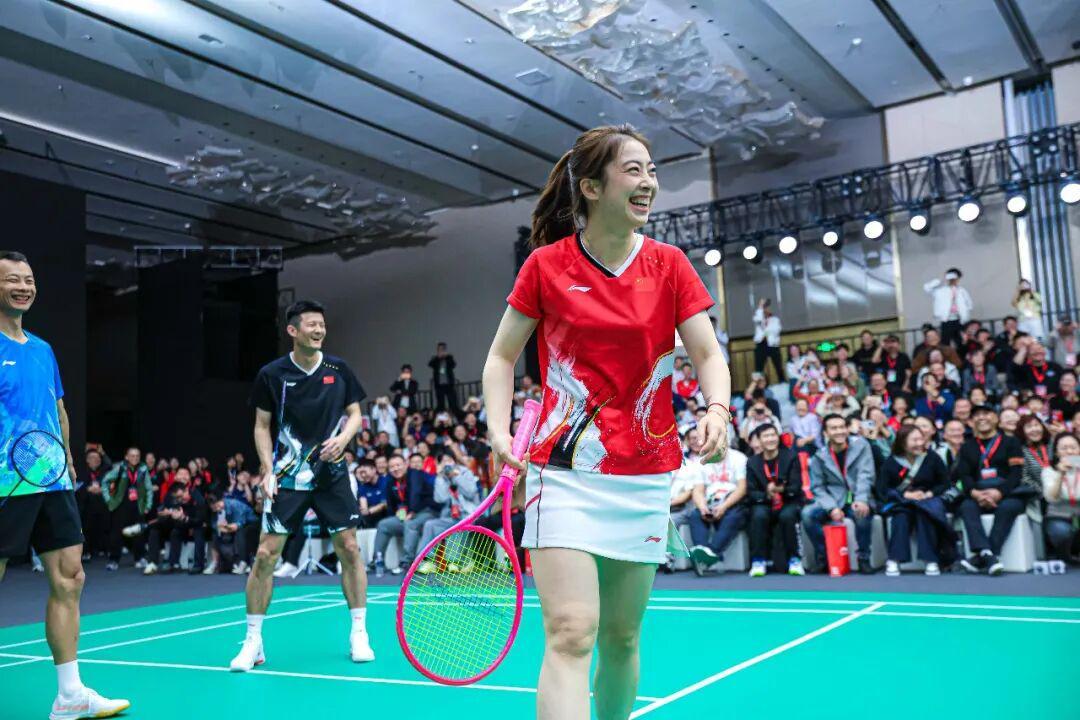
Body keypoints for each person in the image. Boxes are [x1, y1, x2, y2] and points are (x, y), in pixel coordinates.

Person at [482, 124, 729, 720]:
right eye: (633, 171)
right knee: (571, 631)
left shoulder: (669, 265)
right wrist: (497, 428)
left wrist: (718, 408)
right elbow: (500, 358)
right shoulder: (546, 266)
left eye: (651, 171)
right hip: (563, 469)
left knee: (620, 638)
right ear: (591, 187)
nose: (649, 183)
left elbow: (707, 353)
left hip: (644, 472)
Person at [0, 251, 129, 719]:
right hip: (5, 482)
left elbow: (58, 408)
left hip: (52, 478)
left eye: (29, 279)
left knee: (70, 578)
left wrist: (69, 459)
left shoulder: (42, 349)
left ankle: (70, 694)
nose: (23, 287)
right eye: (12, 279)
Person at [230, 300, 373, 672]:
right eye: (311, 324)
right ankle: (253, 641)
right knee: (266, 555)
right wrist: (267, 470)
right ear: (292, 331)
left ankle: (359, 632)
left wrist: (344, 438)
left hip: (331, 473)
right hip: (288, 475)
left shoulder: (338, 369)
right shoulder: (272, 374)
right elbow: (262, 425)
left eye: (321, 324)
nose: (319, 330)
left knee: (350, 548)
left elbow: (355, 414)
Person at [954, 405, 1027, 576]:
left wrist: (999, 492)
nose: (981, 418)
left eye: (986, 414)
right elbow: (965, 476)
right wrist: (975, 494)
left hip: (1007, 494)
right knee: (966, 507)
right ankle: (988, 555)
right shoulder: (967, 446)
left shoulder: (1011, 442)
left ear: (995, 418)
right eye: (977, 415)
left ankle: (984, 556)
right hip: (978, 493)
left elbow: (1016, 474)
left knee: (1009, 507)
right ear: (971, 422)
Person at [802, 414, 877, 574]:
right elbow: (818, 487)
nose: (839, 431)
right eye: (834, 428)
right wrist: (832, 508)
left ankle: (863, 558)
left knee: (862, 513)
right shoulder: (819, 456)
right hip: (833, 499)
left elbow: (866, 474)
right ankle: (825, 557)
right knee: (807, 514)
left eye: (842, 427)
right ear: (826, 433)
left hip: (857, 496)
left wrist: (861, 499)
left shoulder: (861, 446)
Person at [876, 426, 954, 577]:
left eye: (921, 439)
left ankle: (930, 559)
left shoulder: (932, 457)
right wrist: (904, 494)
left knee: (925, 515)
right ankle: (894, 559)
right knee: (901, 518)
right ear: (902, 443)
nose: (919, 443)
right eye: (914, 440)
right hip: (902, 502)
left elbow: (944, 482)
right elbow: (882, 488)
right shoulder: (892, 461)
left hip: (927, 502)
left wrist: (929, 493)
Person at [745, 425, 805, 577]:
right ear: (759, 440)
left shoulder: (790, 457)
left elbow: (796, 486)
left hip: (788, 500)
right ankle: (758, 560)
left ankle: (794, 559)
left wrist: (781, 490)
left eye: (773, 435)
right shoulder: (752, 462)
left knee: (788, 516)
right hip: (764, 502)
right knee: (758, 515)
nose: (770, 439)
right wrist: (767, 494)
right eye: (766, 436)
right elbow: (751, 491)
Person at [372, 454, 441, 576]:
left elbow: (415, 494)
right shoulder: (390, 481)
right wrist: (397, 513)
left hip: (427, 512)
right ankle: (378, 561)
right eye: (392, 466)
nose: (395, 468)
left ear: (405, 464)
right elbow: (391, 504)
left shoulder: (415, 474)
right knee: (383, 524)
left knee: (410, 524)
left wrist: (411, 511)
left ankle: (406, 562)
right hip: (408, 514)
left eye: (398, 465)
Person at [686, 445, 748, 576]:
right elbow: (698, 490)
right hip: (710, 503)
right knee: (695, 515)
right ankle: (702, 551)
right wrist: (702, 507)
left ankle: (710, 553)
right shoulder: (701, 461)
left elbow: (742, 488)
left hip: (733, 503)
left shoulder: (739, 458)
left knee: (733, 516)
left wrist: (724, 506)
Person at [415, 450, 480, 573]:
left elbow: (471, 492)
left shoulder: (465, 472)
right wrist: (440, 478)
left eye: (449, 460)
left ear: (454, 461)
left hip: (469, 515)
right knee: (430, 525)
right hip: (451, 516)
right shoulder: (442, 477)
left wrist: (457, 476)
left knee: (459, 525)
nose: (447, 464)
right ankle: (426, 561)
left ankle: (454, 562)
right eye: (443, 461)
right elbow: (440, 498)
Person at [142, 473, 207, 575]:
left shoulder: (197, 497)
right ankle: (153, 563)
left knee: (193, 531)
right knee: (155, 530)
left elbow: (200, 520)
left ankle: (195, 565)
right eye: (177, 498)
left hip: (193, 524)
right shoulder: (171, 495)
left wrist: (184, 518)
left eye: (181, 496)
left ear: (186, 490)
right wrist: (166, 513)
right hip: (177, 524)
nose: (180, 500)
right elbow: (162, 509)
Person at [100, 447, 153, 571]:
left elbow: (149, 488)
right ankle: (113, 560)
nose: (135, 458)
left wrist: (148, 505)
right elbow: (105, 482)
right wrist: (108, 500)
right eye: (132, 456)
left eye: (137, 456)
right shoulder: (120, 468)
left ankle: (139, 558)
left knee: (138, 532)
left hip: (138, 506)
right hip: (121, 506)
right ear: (127, 457)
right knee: (116, 534)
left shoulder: (143, 469)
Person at [1041, 433, 1080, 562]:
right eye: (1064, 448)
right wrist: (1060, 474)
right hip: (1059, 516)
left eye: (1073, 447)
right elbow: (1051, 498)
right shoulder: (1049, 471)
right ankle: (1065, 557)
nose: (1069, 451)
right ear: (1056, 452)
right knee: (1061, 531)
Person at [923, 268, 972, 348]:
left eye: (955, 278)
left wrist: (964, 314)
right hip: (946, 320)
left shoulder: (962, 291)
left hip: (959, 320)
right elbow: (927, 288)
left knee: (961, 342)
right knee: (945, 343)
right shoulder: (940, 291)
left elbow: (969, 304)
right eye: (951, 277)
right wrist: (941, 280)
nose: (953, 280)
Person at [752, 298, 783, 381]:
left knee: (778, 367)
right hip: (761, 344)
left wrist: (765, 331)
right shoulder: (758, 319)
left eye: (767, 307)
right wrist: (760, 306)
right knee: (758, 368)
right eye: (764, 307)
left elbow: (776, 330)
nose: (766, 309)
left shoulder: (775, 320)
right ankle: (757, 384)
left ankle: (782, 382)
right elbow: (758, 319)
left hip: (773, 345)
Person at [428, 342, 458, 413]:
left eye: (442, 349)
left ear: (445, 350)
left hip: (449, 384)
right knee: (440, 403)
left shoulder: (449, 357)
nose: (440, 351)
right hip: (439, 385)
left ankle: (454, 414)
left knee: (452, 402)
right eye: (439, 349)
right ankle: (441, 415)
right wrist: (437, 358)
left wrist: (446, 357)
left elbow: (453, 365)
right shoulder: (435, 359)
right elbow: (430, 364)